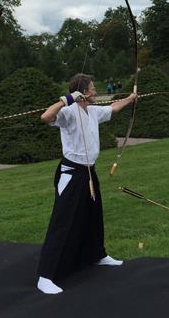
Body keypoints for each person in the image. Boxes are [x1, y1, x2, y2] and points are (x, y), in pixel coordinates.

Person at [36, 73, 137, 295]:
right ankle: (45, 276)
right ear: (81, 92)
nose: (95, 92)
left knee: (93, 216)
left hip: (89, 172)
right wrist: (67, 98)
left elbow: (114, 108)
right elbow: (45, 117)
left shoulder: (93, 111)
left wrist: (131, 98)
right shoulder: (68, 112)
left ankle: (97, 255)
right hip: (72, 173)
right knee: (62, 222)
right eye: (91, 89)